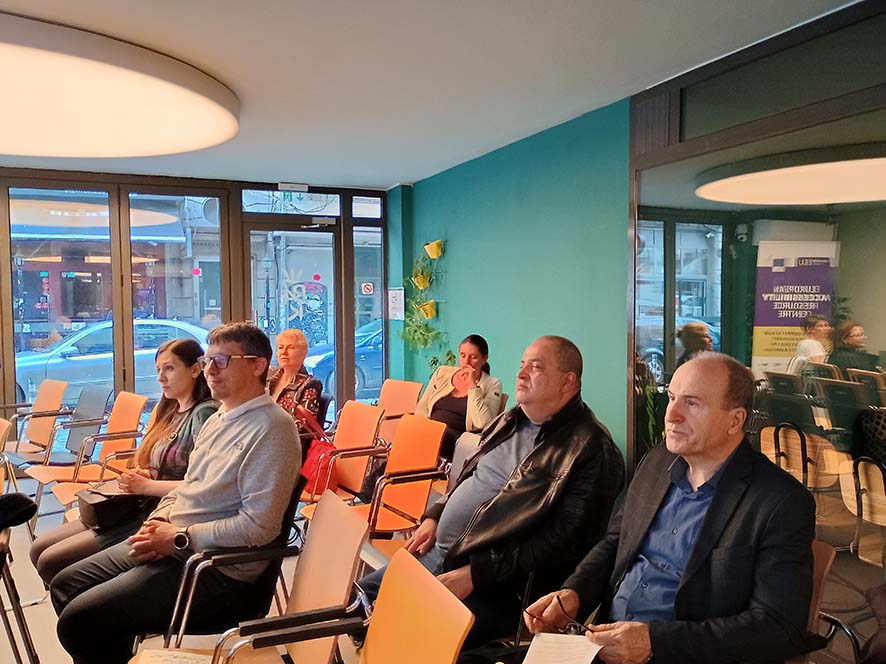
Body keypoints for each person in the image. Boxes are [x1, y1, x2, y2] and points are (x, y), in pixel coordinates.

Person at [525, 352, 817, 664]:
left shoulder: (780, 502)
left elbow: (778, 626)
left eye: (692, 403)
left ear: (735, 420)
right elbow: (616, 543)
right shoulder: (656, 463)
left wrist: (654, 643)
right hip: (603, 646)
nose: (672, 415)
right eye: (672, 398)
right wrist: (575, 594)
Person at [50, 323, 301, 664]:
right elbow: (188, 486)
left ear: (257, 365)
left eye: (222, 361)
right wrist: (158, 521)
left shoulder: (273, 429)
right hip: (176, 541)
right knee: (65, 585)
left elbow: (259, 528)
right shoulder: (220, 418)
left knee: (79, 622)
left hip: (214, 569)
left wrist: (180, 538)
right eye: (208, 360)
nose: (209, 371)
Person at [358, 336, 625, 649]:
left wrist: (475, 574)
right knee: (356, 602)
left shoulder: (591, 449)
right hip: (440, 553)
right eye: (522, 364)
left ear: (568, 382)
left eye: (536, 367)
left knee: (401, 635)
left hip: (499, 586)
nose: (521, 373)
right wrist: (436, 515)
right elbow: (470, 476)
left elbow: (563, 545)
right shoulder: (510, 419)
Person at [29, 339, 218, 584]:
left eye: (169, 368)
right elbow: (165, 467)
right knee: (37, 549)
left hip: (160, 513)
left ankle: (83, 597)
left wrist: (148, 485)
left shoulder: (204, 414)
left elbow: (202, 485)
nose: (161, 377)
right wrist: (144, 475)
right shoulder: (169, 409)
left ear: (195, 370)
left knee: (50, 561)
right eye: (158, 369)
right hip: (137, 503)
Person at [415, 334, 503, 460]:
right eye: (463, 355)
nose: (466, 362)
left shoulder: (492, 384)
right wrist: (424, 428)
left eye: (473, 357)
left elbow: (484, 424)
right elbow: (422, 408)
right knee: (407, 429)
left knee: (442, 435)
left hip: (459, 440)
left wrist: (473, 386)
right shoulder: (442, 372)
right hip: (431, 432)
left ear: (484, 359)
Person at [268, 328, 323, 451]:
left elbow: (302, 426)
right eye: (280, 347)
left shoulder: (310, 384)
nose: (284, 352)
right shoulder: (269, 376)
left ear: (303, 353)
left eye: (290, 348)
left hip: (290, 447)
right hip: (264, 439)